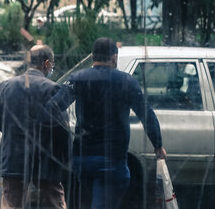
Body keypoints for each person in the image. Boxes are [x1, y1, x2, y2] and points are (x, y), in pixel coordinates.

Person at [47, 37, 167, 209]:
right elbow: (146, 114)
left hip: (82, 159)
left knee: (94, 199)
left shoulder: (78, 78)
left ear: (94, 56)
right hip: (112, 160)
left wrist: (65, 135)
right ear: (114, 57)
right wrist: (158, 145)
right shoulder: (127, 81)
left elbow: (53, 107)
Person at [0, 45, 70, 209]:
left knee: (11, 203)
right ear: (47, 63)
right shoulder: (52, 88)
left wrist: (12, 133)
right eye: (52, 64)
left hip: (13, 156)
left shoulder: (6, 86)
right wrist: (64, 157)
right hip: (44, 158)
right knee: (55, 201)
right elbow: (61, 128)